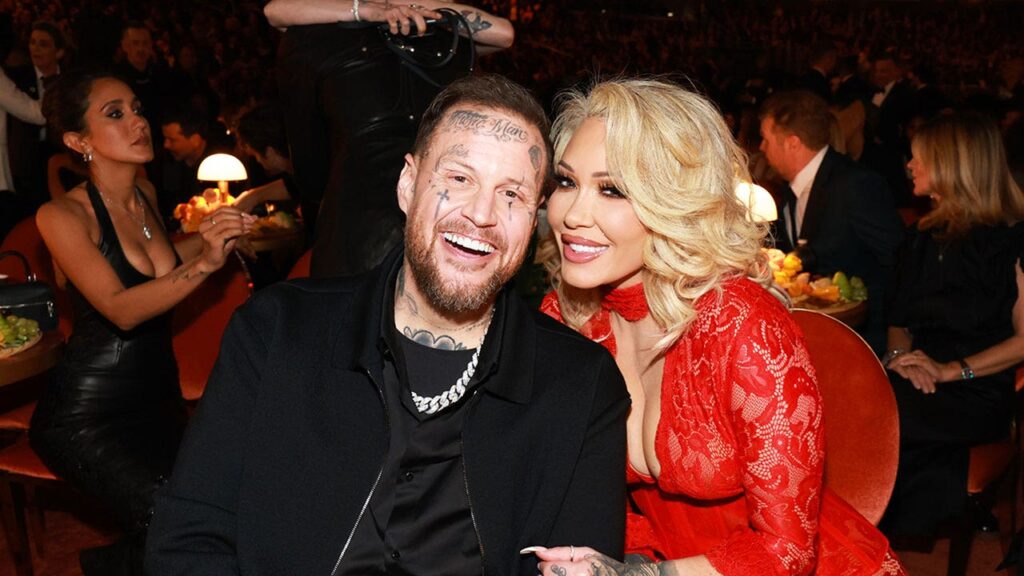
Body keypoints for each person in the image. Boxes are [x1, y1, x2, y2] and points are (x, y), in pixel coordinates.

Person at [145, 74, 629, 575]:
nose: (482, 214)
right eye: (459, 179)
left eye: (512, 194)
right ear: (407, 184)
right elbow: (189, 538)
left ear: (534, 220)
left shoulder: (580, 386)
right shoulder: (278, 331)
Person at [530, 79, 905, 576]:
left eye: (612, 189)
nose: (572, 215)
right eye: (565, 182)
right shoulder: (565, 318)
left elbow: (787, 553)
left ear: (676, 203)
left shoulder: (743, 326)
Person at [29, 70, 254, 576]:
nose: (138, 122)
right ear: (79, 141)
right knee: (177, 528)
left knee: (224, 512)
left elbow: (163, 263)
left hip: (159, 401)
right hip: (87, 418)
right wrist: (206, 264)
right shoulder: (61, 216)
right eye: (115, 114)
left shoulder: (146, 191)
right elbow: (122, 308)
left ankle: (106, 565)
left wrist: (214, 235)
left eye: (136, 108)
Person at [265, 0, 514, 277]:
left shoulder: (313, 39)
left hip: (356, 240)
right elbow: (275, 11)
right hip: (435, 233)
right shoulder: (448, 37)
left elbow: (310, 176)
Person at [879, 112, 1024, 538]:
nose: (909, 165)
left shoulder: (1011, 242)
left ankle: (865, 530)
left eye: (918, 156)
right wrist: (900, 358)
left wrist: (949, 370)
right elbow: (899, 322)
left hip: (977, 388)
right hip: (919, 379)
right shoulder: (918, 240)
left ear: (951, 165)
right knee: (855, 400)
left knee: (872, 418)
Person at [759, 90, 904, 355]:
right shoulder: (788, 190)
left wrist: (892, 346)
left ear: (792, 143)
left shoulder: (856, 184)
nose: (761, 148)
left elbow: (897, 261)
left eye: (766, 140)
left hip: (858, 340)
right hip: (811, 337)